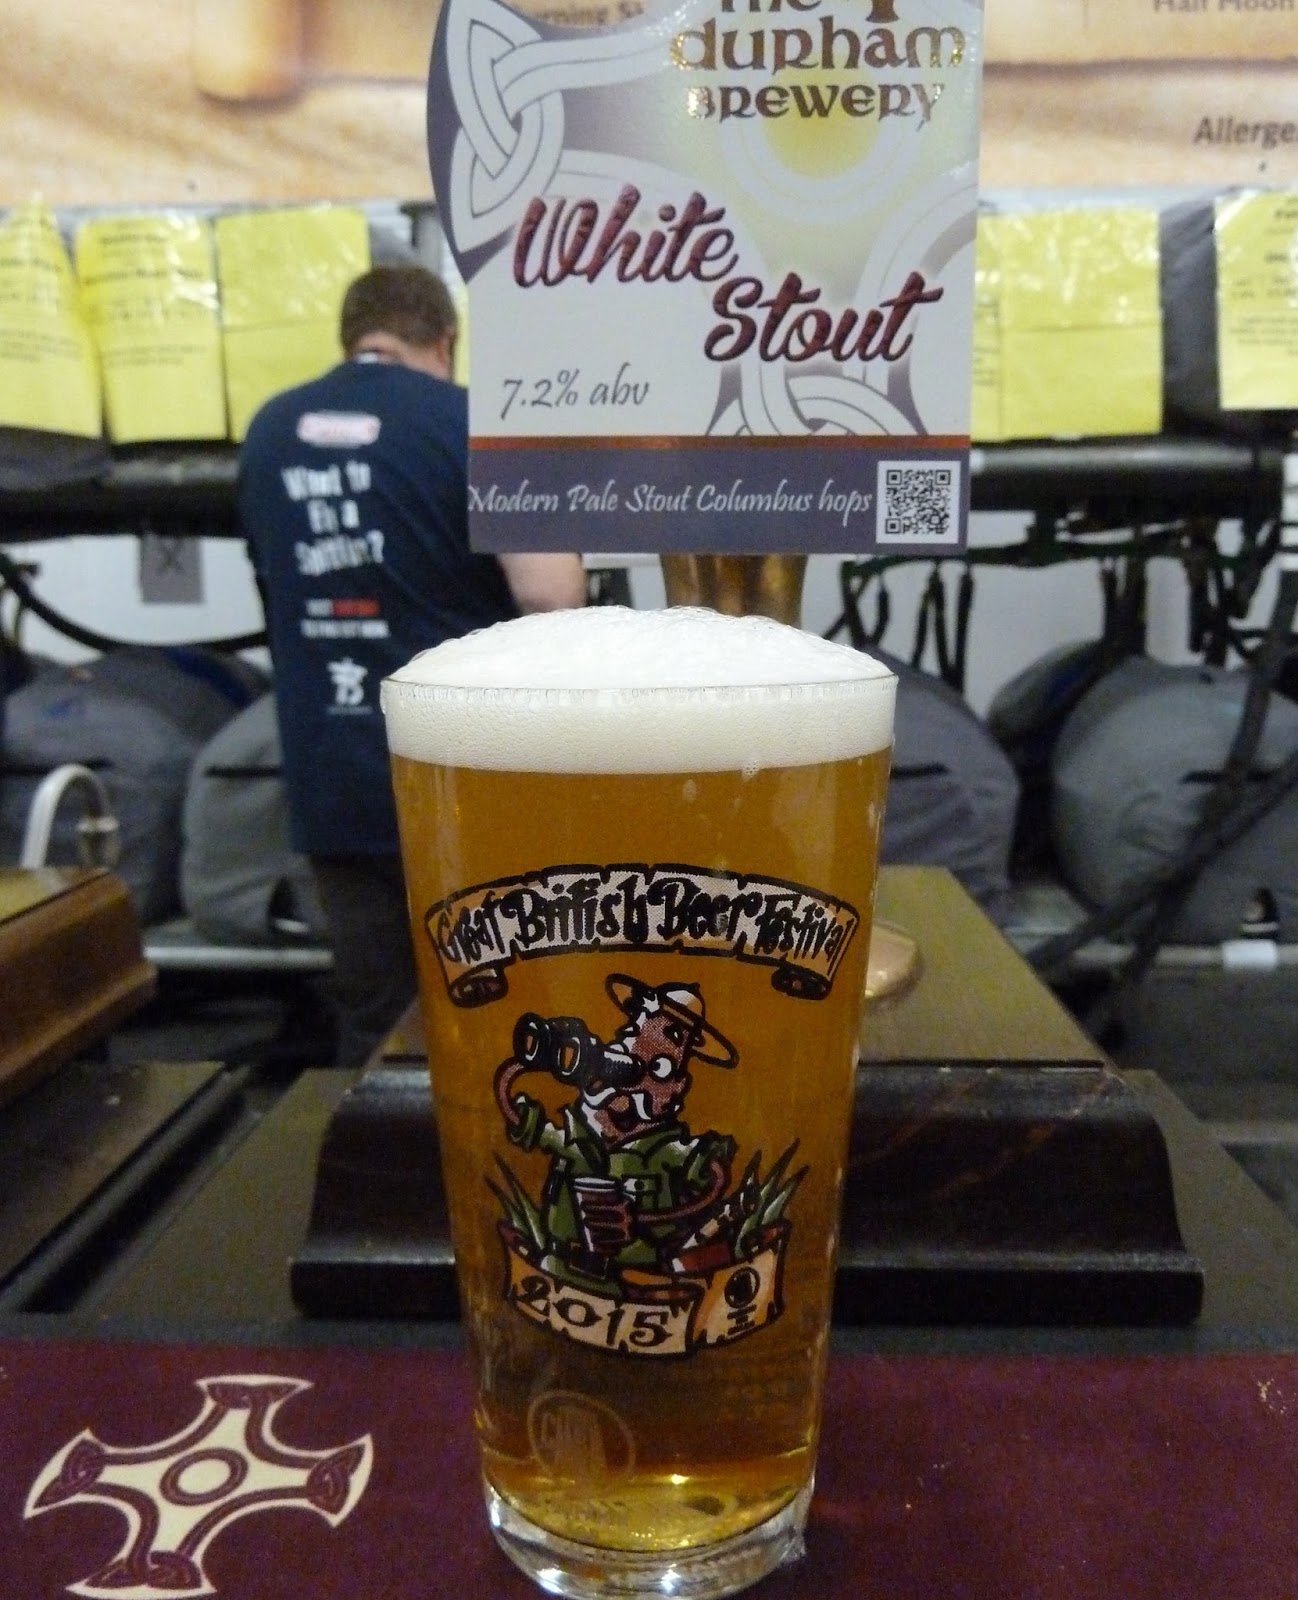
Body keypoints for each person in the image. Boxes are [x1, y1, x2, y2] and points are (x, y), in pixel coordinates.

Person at [240, 264, 586, 1069]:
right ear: (445, 341)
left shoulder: (268, 431)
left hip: (331, 775)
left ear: (351, 340)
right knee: (497, 1015)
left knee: (376, 1022)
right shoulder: (474, 421)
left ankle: (373, 1149)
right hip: (460, 778)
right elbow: (551, 595)